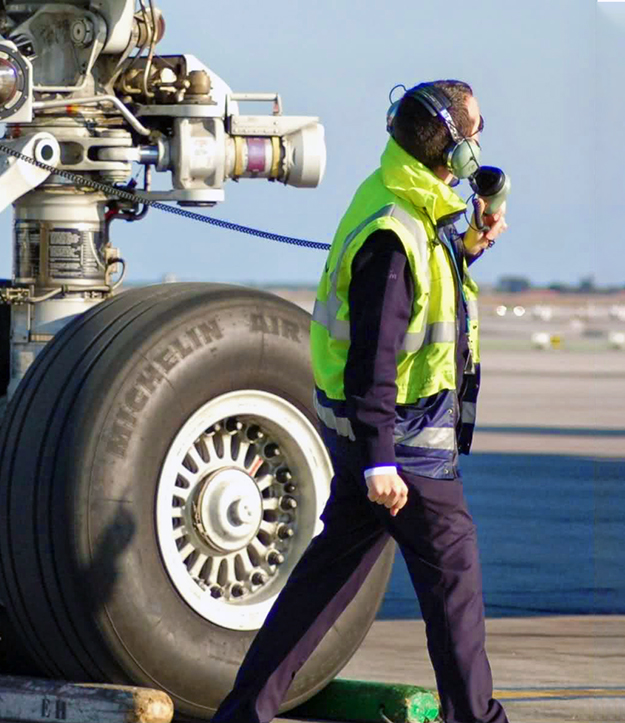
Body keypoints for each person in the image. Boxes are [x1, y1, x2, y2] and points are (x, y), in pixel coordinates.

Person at [212, 80, 509, 723]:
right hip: (405, 449)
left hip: (374, 440)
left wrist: (468, 247)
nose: (482, 143)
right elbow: (373, 356)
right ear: (454, 150)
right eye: (476, 131)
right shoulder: (394, 234)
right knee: (454, 593)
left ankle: (243, 714)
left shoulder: (401, 201)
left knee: (323, 588)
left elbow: (416, 300)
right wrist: (380, 461)